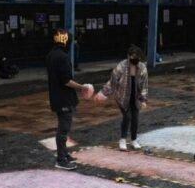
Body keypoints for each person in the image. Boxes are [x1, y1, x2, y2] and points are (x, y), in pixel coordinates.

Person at [46, 29, 93, 171]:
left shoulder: (50, 55)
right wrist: (82, 87)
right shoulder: (63, 57)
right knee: (63, 129)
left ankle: (65, 154)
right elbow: (66, 80)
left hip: (56, 97)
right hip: (64, 98)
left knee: (63, 127)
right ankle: (61, 159)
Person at [94, 45, 149, 151]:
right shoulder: (121, 66)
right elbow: (113, 81)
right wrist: (103, 93)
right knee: (127, 116)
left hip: (136, 96)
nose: (135, 59)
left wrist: (143, 99)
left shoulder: (142, 67)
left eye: (137, 57)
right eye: (133, 57)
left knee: (135, 118)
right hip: (122, 96)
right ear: (128, 56)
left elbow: (144, 85)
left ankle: (134, 140)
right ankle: (122, 139)